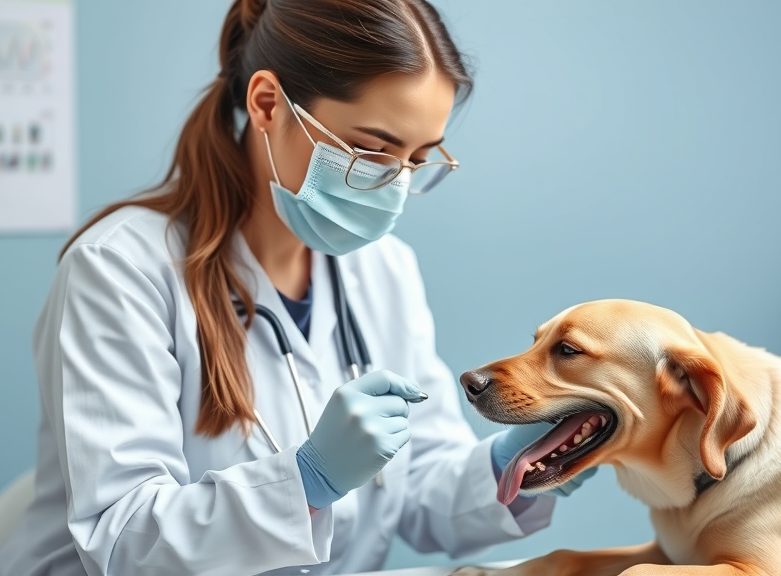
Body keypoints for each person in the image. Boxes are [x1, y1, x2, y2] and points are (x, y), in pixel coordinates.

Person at [0, 1, 596, 574]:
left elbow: (416, 488)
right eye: (371, 149)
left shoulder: (384, 271)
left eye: (417, 159)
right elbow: (123, 542)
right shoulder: (120, 269)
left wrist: (525, 461)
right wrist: (308, 479)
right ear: (267, 104)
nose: (393, 188)